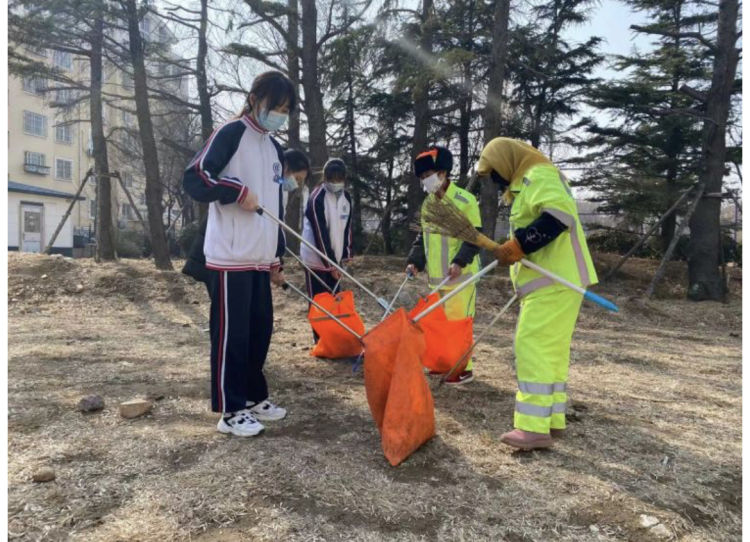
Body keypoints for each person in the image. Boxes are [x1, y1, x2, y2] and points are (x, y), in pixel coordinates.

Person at [182, 70, 297, 437]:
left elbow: (275, 206)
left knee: (259, 332)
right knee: (232, 336)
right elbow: (196, 178)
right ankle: (230, 411)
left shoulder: (275, 149)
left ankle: (252, 398)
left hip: (260, 259)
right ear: (253, 99)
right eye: (273, 106)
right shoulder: (231, 133)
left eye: (284, 109)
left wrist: (277, 257)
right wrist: (234, 190)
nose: (277, 114)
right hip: (229, 257)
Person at [477, 137, 598, 450]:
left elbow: (560, 216)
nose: (496, 180)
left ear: (507, 161)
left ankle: (532, 428)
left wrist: (519, 244)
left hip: (555, 282)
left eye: (495, 172)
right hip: (556, 281)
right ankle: (551, 420)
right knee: (553, 351)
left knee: (531, 345)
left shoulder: (539, 176)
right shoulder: (528, 183)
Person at [406, 146, 482, 385]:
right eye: (421, 177)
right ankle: (443, 364)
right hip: (437, 278)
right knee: (440, 325)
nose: (425, 181)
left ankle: (463, 369)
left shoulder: (464, 200)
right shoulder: (428, 204)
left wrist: (460, 261)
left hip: (461, 276)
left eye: (428, 175)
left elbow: (474, 236)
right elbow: (423, 237)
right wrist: (414, 262)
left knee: (459, 325)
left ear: (443, 173)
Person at [300, 158, 354, 342]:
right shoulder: (317, 198)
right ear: (325, 178)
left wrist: (345, 256)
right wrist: (330, 263)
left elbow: (347, 229)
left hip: (335, 260)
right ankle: (320, 341)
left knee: (334, 299)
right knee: (319, 301)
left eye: (339, 179)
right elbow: (320, 234)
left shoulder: (347, 199)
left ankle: (333, 337)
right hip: (315, 258)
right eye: (332, 179)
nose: (335, 183)